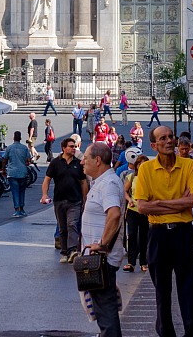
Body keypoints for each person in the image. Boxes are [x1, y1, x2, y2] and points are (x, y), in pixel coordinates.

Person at [135, 126, 193, 337]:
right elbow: (142, 207)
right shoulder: (145, 169)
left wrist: (160, 202)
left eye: (171, 136)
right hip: (158, 234)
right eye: (163, 138)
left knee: (188, 287)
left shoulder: (189, 164)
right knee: (162, 290)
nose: (169, 141)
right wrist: (177, 203)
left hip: (183, 233)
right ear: (154, 145)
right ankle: (166, 333)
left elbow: (191, 201)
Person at [81, 142, 126, 337]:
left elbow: (114, 214)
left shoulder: (108, 183)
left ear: (97, 160)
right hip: (98, 259)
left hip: (102, 260)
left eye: (86, 157)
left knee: (106, 312)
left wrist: (103, 244)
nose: (82, 161)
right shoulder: (101, 182)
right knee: (103, 310)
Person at [41, 135, 88, 263]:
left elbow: (83, 182)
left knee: (72, 224)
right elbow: (47, 180)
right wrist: (44, 195)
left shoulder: (78, 164)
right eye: (71, 147)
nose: (74, 148)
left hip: (75, 200)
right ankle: (65, 252)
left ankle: (72, 250)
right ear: (63, 148)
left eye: (75, 146)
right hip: (59, 200)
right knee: (62, 227)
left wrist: (85, 198)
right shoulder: (55, 163)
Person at [122, 148, 149, 273]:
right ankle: (131, 262)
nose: (142, 167)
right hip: (132, 209)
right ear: (137, 166)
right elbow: (125, 191)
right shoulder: (132, 176)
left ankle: (143, 262)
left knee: (143, 236)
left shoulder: (150, 179)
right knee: (132, 235)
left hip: (145, 211)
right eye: (140, 164)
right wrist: (129, 200)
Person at [4, 130, 32, 217]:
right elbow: (29, 159)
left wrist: (3, 169)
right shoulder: (24, 148)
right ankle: (22, 208)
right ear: (20, 138)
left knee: (15, 191)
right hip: (22, 171)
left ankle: (17, 209)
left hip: (12, 172)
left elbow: (5, 159)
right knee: (22, 191)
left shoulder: (9, 148)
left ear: (13, 138)